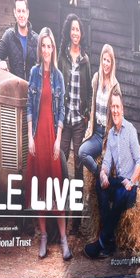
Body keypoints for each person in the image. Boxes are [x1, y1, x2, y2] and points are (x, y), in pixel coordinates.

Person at [25, 27, 70, 260]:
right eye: (43, 45)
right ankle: (43, 236)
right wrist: (30, 137)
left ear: (53, 48)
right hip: (37, 136)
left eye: (49, 46)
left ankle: (63, 239)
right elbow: (29, 107)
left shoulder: (59, 76)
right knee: (40, 188)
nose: (46, 49)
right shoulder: (33, 73)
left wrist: (58, 140)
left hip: (52, 136)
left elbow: (62, 110)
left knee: (56, 188)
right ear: (39, 48)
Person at [88, 87, 140, 259]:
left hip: (130, 185)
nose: (115, 110)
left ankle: (102, 242)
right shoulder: (111, 134)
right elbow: (106, 163)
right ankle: (110, 242)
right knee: (100, 183)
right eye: (112, 107)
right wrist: (103, 175)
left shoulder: (131, 130)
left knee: (120, 194)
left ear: (122, 109)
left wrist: (132, 181)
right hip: (119, 181)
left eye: (117, 107)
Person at [78, 43, 120, 178]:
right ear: (101, 60)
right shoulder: (96, 79)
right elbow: (91, 103)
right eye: (104, 60)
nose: (106, 63)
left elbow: (118, 114)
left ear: (112, 63)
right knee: (82, 152)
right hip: (97, 133)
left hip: (109, 135)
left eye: (109, 60)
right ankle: (99, 174)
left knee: (114, 167)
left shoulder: (115, 86)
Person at [60, 13, 91, 172]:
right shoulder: (62, 56)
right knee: (61, 157)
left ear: (81, 33)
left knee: (79, 159)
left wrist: (86, 114)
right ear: (69, 32)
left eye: (77, 29)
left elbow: (89, 92)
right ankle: (60, 194)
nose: (75, 33)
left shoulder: (85, 60)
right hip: (65, 118)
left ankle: (78, 196)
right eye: (72, 29)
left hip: (79, 119)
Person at [0, 0, 39, 80]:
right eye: (18, 11)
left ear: (27, 13)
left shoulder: (37, 39)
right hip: (15, 88)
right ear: (14, 13)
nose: (21, 15)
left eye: (23, 11)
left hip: (32, 90)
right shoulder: (9, 36)